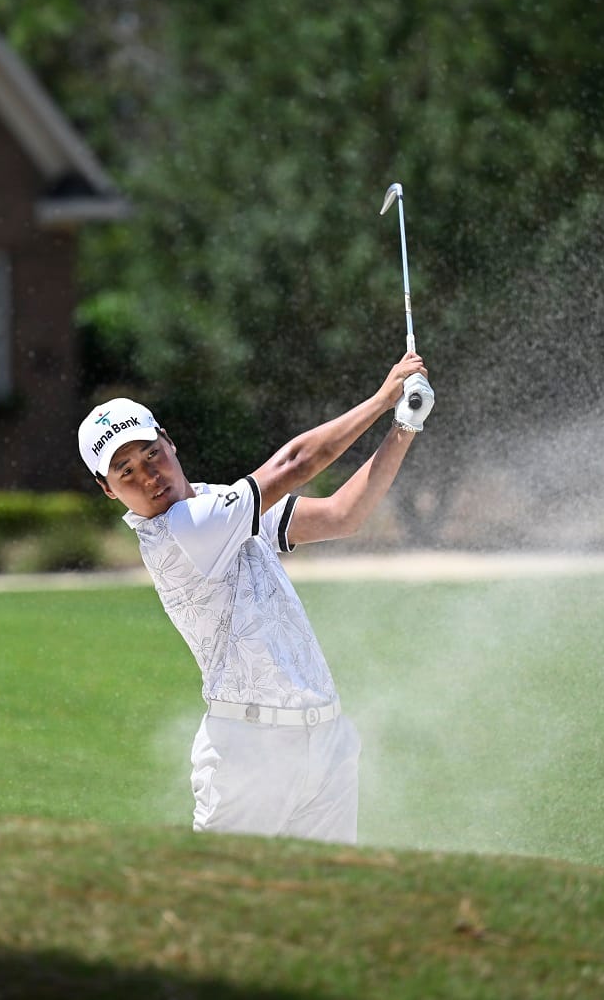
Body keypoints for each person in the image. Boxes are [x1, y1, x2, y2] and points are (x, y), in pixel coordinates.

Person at [76, 353, 435, 844]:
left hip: (325, 740)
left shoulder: (215, 504)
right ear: (107, 490)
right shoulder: (181, 529)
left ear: (169, 441)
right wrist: (381, 399)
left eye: (151, 454)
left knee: (328, 891)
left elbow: (341, 515)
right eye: (125, 471)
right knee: (222, 892)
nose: (148, 476)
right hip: (248, 754)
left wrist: (405, 425)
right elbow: (295, 464)